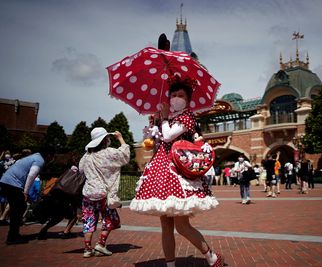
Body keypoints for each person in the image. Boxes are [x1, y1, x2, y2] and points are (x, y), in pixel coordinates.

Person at [130, 76, 223, 267]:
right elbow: (156, 141)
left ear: (188, 99)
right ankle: (170, 265)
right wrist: (154, 125)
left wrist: (163, 119)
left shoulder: (187, 116)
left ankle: (211, 257)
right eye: (173, 94)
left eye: (180, 95)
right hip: (161, 170)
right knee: (165, 225)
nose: (176, 98)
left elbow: (169, 135)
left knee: (182, 225)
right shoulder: (168, 117)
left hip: (179, 171)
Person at [79, 128, 130, 258]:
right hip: (103, 194)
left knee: (89, 220)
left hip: (88, 193)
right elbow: (124, 157)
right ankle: (101, 244)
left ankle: (87, 249)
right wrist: (120, 138)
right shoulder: (108, 153)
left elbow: (80, 170)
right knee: (110, 218)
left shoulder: (86, 156)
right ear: (104, 140)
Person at [0, 152, 46, 244]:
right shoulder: (40, 160)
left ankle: (14, 234)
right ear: (49, 155)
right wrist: (26, 192)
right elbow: (32, 175)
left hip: (7, 181)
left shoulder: (33, 157)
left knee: (19, 208)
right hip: (12, 183)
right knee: (18, 209)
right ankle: (12, 237)